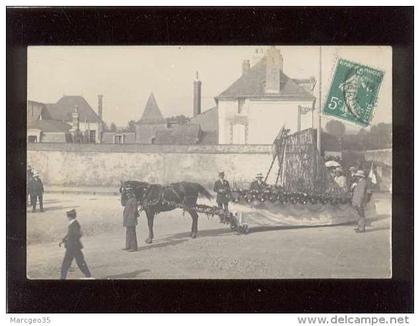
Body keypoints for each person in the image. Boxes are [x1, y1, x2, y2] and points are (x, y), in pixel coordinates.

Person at [59, 209, 92, 279]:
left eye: (68, 216)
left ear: (70, 217)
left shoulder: (74, 224)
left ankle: (62, 278)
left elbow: (78, 234)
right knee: (79, 262)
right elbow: (70, 234)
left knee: (67, 263)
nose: (67, 218)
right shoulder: (74, 223)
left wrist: (72, 241)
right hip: (74, 247)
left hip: (73, 247)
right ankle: (88, 275)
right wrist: (64, 240)